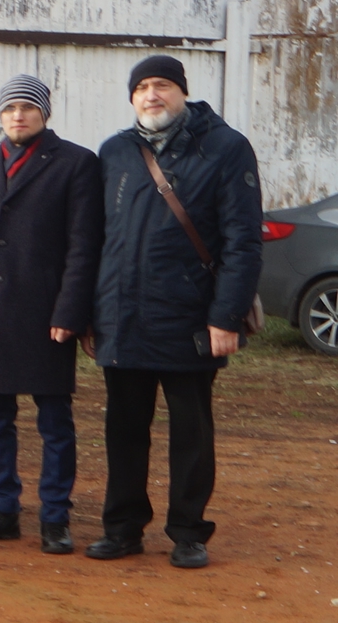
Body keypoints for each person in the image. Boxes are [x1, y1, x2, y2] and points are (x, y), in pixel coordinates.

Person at [84, 55, 262, 569]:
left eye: (162, 85)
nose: (151, 95)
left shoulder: (225, 148)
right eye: (141, 87)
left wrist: (225, 317)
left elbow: (243, 241)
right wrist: (94, 314)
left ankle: (188, 531)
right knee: (123, 429)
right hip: (123, 317)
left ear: (182, 92)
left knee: (190, 431)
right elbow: (100, 238)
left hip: (191, 319)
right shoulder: (116, 151)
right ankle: (122, 528)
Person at [0, 75, 102, 552]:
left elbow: (83, 245)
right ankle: (1, 509)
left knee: (54, 420)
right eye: (10, 107)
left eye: (28, 107)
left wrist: (71, 311)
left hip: (45, 313)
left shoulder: (76, 163)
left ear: (44, 114)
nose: (18, 115)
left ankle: (55, 516)